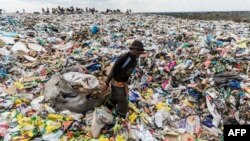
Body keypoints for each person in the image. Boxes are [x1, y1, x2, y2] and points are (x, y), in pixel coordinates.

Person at [101, 40, 145, 118]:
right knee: (123, 103)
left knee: (114, 97)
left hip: (122, 83)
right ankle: (120, 117)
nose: (138, 53)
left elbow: (127, 72)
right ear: (132, 49)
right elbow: (112, 71)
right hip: (116, 82)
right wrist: (106, 84)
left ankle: (107, 108)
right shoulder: (124, 58)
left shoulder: (134, 60)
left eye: (139, 52)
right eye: (136, 50)